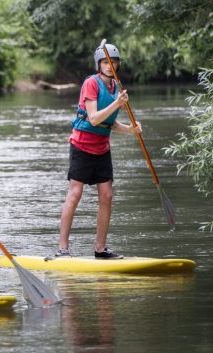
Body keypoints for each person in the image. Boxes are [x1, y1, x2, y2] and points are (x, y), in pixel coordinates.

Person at [56, 44, 142, 259]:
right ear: (99, 65)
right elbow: (94, 118)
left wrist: (131, 130)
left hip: (102, 148)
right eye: (105, 62)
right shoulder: (90, 83)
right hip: (82, 146)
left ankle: (100, 249)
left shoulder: (116, 88)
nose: (110, 65)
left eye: (113, 62)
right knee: (75, 194)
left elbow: (108, 124)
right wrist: (118, 104)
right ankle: (63, 249)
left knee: (107, 196)